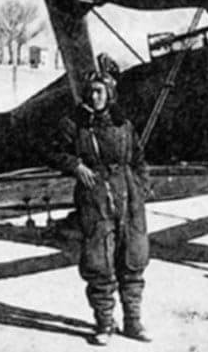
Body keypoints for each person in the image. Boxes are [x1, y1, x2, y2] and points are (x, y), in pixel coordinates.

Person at [46, 71, 151, 346]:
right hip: (95, 198)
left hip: (128, 198)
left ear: (110, 94)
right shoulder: (74, 124)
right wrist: (75, 165)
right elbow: (53, 152)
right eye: (90, 91)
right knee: (99, 262)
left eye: (99, 91)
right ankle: (105, 323)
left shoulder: (123, 124)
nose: (94, 97)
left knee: (133, 260)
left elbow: (138, 158)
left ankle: (133, 322)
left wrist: (141, 187)